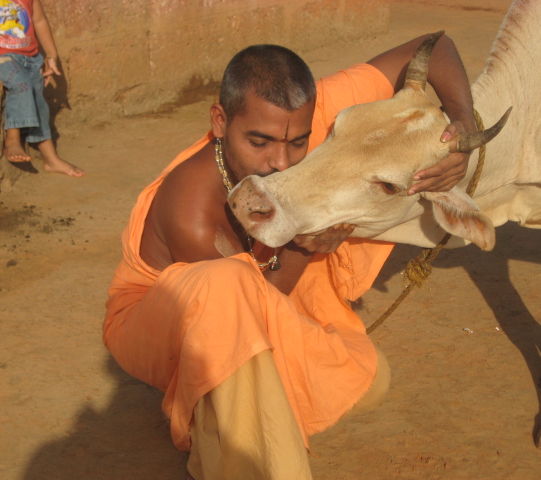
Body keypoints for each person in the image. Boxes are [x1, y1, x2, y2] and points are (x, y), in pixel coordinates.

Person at [104, 32, 476, 480]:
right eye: (258, 142)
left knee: (369, 384)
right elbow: (249, 309)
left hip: (254, 299)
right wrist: (304, 244)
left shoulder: (308, 115)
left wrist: (463, 125)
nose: (281, 162)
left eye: (298, 143)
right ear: (220, 121)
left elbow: (433, 47)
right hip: (163, 324)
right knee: (229, 292)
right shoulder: (190, 207)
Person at [0, 0, 84, 176]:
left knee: (39, 102)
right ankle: (12, 140)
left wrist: (51, 56)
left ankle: (50, 158)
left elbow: (39, 21)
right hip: (3, 59)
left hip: (30, 59)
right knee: (20, 84)